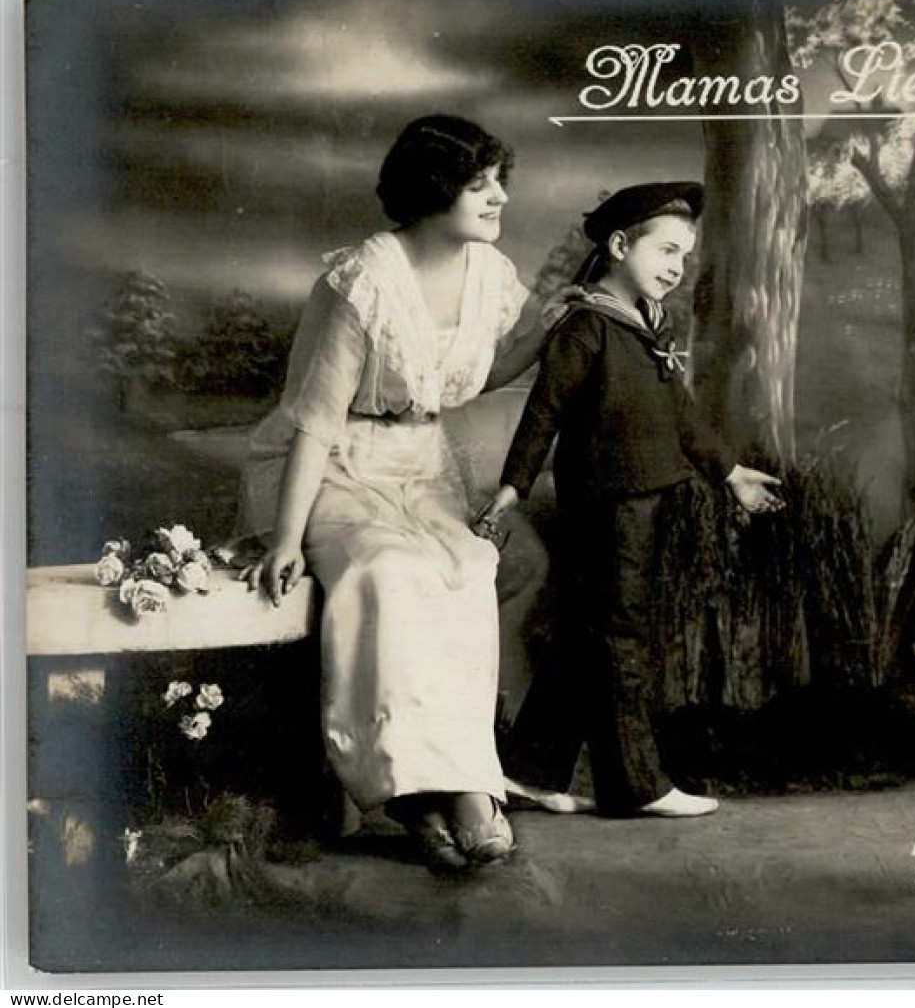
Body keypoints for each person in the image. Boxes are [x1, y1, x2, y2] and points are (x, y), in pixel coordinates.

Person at [240, 114, 555, 871]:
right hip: (339, 467)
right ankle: (410, 796)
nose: (498, 198)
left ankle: (468, 787)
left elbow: (481, 373)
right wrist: (286, 539)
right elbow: (313, 425)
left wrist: (558, 326)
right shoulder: (360, 282)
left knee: (468, 569)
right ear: (432, 189)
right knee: (389, 572)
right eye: (479, 185)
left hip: (425, 466)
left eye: (498, 182)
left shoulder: (490, 275)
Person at [471, 181, 783, 819]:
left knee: (586, 635)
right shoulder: (589, 325)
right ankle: (636, 785)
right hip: (608, 505)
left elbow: (682, 414)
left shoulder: (647, 325)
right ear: (619, 245)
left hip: (646, 498)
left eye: (684, 257)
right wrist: (512, 486)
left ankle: (529, 769)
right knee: (620, 635)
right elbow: (544, 409)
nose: (676, 267)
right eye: (666, 251)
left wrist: (732, 474)